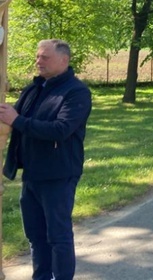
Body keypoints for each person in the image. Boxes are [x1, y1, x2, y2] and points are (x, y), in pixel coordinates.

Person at [1, 39, 92, 280]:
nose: (38, 61)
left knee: (58, 236)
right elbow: (13, 116)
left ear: (64, 60)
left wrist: (17, 120)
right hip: (32, 173)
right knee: (35, 235)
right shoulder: (35, 88)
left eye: (45, 57)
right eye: (38, 56)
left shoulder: (76, 92)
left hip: (59, 174)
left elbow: (61, 129)